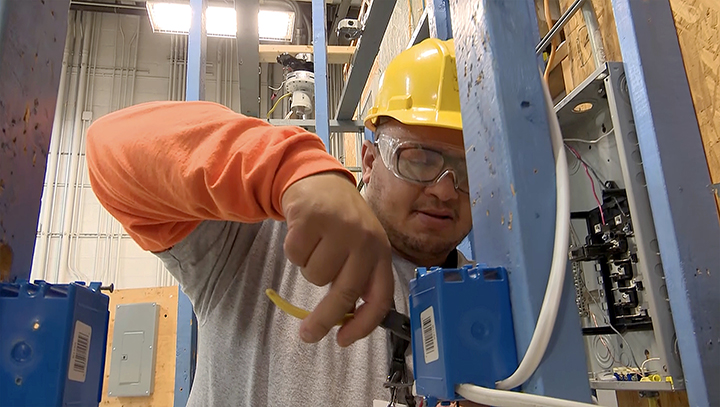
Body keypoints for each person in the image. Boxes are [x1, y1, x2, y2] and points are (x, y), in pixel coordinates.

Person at [86, 38, 472, 406]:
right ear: (370, 161)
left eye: (469, 170)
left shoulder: (503, 306)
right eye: (420, 159)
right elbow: (111, 147)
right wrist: (288, 168)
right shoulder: (261, 240)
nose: (445, 190)